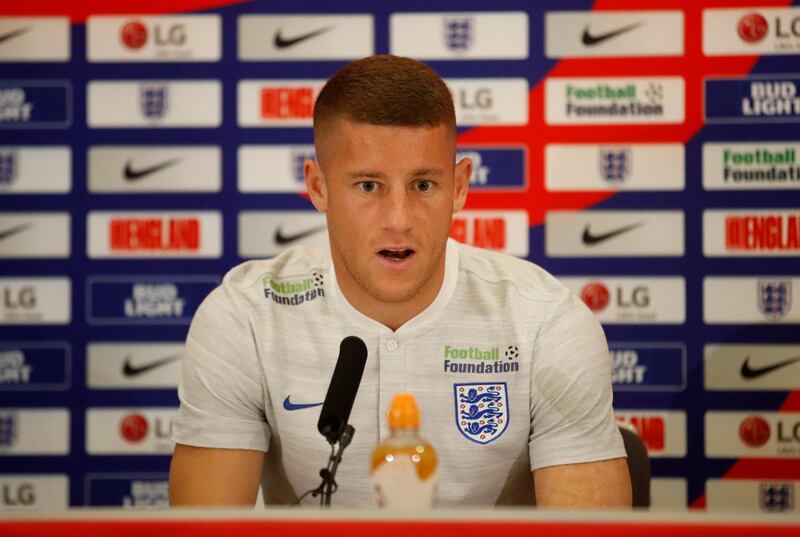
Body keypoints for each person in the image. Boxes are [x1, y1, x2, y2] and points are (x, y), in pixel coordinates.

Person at [169, 55, 631, 508]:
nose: (399, 220)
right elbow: (204, 527)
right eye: (369, 186)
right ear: (318, 187)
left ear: (460, 186)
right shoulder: (245, 316)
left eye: (423, 185)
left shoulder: (545, 323)